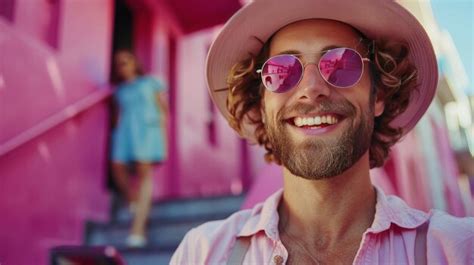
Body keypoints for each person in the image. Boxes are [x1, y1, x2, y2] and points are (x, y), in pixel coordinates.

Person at [170, 0, 473, 264]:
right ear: (262, 105)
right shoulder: (202, 253)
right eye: (283, 70)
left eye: (340, 64)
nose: (311, 90)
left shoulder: (456, 250)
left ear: (378, 95)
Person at [110, 50, 168, 247]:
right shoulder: (120, 91)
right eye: (118, 64)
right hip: (126, 132)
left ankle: (138, 230)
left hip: (147, 131)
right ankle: (134, 201)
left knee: (144, 176)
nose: (122, 66)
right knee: (117, 166)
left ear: (134, 63)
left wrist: (161, 135)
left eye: (125, 62)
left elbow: (163, 108)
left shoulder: (151, 82)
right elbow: (119, 115)